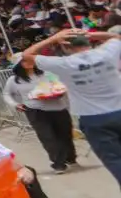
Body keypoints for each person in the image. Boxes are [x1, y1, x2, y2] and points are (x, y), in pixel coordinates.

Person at [23, 27, 121, 188]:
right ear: (89, 42)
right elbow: (116, 36)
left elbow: (26, 56)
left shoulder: (63, 64)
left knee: (115, 159)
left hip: (93, 118)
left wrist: (53, 38)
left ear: (65, 47)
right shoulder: (106, 53)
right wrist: (89, 34)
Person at [4, 61, 79, 173]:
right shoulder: (14, 80)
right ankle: (58, 164)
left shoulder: (47, 74)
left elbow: (60, 86)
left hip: (58, 108)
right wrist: (15, 104)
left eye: (30, 60)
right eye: (25, 61)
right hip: (35, 110)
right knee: (47, 136)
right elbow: (6, 94)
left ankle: (70, 157)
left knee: (65, 135)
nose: (29, 63)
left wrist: (59, 92)